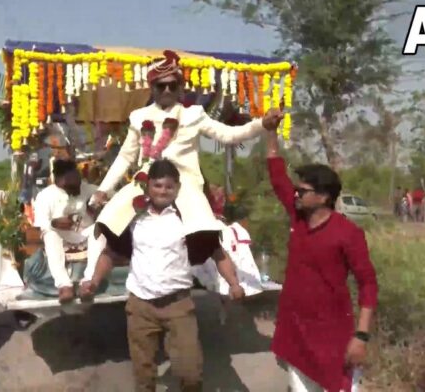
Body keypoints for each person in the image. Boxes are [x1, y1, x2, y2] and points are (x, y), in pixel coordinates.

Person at [90, 49, 283, 267]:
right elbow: (126, 156)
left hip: (184, 184)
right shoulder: (139, 117)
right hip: (146, 181)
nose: (167, 90)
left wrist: (261, 125)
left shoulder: (194, 114)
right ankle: (94, 281)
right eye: (161, 85)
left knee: (206, 234)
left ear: (181, 87)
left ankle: (227, 284)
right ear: (152, 88)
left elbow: (229, 135)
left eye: (173, 85)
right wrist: (103, 190)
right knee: (111, 223)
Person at [81, 160, 245, 392]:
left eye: (168, 187)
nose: (163, 191)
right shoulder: (133, 219)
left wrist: (234, 284)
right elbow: (110, 253)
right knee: (143, 376)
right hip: (140, 307)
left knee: (190, 373)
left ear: (177, 188)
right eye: (157, 186)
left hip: (178, 306)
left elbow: (218, 253)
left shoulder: (190, 220)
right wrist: (93, 281)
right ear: (148, 187)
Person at [264, 129, 378, 392]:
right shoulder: (298, 219)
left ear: (324, 196)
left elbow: (368, 285)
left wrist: (360, 336)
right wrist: (270, 134)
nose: (295, 195)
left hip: (334, 337)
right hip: (296, 333)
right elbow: (277, 178)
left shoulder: (348, 233)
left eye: (302, 191)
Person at [29, 159, 101, 303]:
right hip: (61, 236)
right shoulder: (45, 195)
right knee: (49, 233)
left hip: (86, 234)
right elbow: (41, 223)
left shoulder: (91, 190)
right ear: (57, 180)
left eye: (77, 183)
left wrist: (100, 207)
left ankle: (88, 282)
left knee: (100, 229)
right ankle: (64, 285)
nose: (75, 189)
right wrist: (54, 222)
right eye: (69, 186)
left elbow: (110, 204)